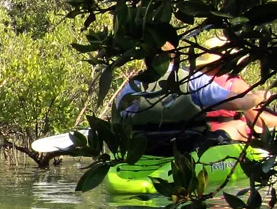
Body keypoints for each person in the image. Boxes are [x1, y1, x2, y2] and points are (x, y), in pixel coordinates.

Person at [112, 41, 265, 151]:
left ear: (146, 59)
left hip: (147, 148)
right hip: (189, 147)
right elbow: (238, 104)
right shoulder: (192, 79)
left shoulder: (132, 87)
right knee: (237, 125)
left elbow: (119, 120)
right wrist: (259, 96)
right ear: (175, 55)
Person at [194, 35, 277, 141]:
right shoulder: (236, 84)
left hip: (200, 135)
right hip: (229, 138)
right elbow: (261, 122)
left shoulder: (195, 82)